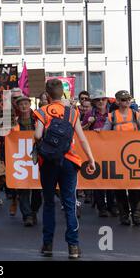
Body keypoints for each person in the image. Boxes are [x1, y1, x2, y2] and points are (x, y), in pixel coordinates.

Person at [34, 79, 96, 259]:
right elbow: (82, 139)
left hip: (48, 162)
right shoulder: (72, 112)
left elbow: (38, 134)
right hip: (69, 161)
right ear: (62, 93)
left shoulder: (42, 111)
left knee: (48, 203)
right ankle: (73, 247)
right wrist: (91, 159)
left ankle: (47, 245)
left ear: (47, 93)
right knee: (69, 203)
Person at [101, 90, 140, 226]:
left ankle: (136, 216)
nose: (127, 102)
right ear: (118, 101)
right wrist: (98, 132)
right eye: (124, 100)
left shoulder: (136, 114)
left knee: (134, 188)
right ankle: (124, 216)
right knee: (120, 189)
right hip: (117, 157)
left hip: (133, 157)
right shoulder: (112, 116)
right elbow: (104, 132)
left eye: (128, 99)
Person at [82, 90, 119, 218]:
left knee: (110, 179)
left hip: (110, 151)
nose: (100, 102)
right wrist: (89, 123)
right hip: (95, 151)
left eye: (103, 99)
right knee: (98, 180)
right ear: (94, 102)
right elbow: (81, 131)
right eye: (98, 100)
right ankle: (101, 207)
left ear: (106, 100)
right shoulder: (89, 114)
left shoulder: (113, 114)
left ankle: (112, 206)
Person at [16, 96, 42, 227]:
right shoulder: (15, 122)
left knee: (37, 188)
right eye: (21, 105)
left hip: (36, 156)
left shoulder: (37, 119)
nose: (24, 107)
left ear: (30, 104)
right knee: (23, 188)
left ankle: (34, 211)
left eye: (26, 104)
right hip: (21, 157)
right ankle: (27, 215)